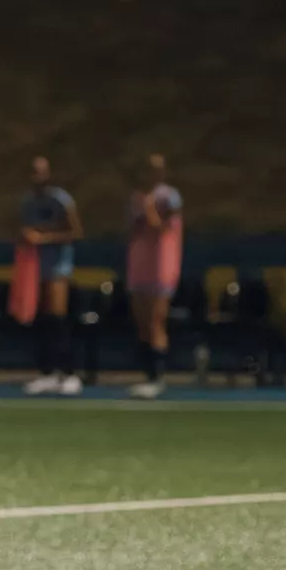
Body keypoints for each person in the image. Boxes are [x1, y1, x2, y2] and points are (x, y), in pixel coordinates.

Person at [19, 156, 84, 396]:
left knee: (58, 318)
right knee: (42, 319)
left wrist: (44, 238)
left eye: (41, 172)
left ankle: (69, 373)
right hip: (35, 268)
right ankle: (46, 373)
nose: (37, 177)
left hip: (58, 266)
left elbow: (76, 231)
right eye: (33, 172)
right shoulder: (27, 202)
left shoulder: (60, 199)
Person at [125, 154, 183, 400]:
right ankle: (146, 375)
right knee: (141, 323)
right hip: (140, 263)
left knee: (156, 320)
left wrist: (149, 207)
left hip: (162, 263)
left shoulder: (169, 196)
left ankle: (158, 378)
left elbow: (162, 226)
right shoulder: (135, 197)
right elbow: (133, 228)